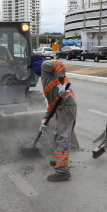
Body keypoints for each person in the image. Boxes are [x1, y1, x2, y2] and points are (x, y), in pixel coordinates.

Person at [29, 54, 77, 182]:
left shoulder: (45, 65)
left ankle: (62, 171)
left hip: (66, 105)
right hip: (60, 105)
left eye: (32, 68)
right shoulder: (46, 77)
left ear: (35, 65)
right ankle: (59, 160)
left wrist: (62, 83)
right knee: (58, 135)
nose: (33, 71)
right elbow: (52, 103)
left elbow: (59, 63)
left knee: (62, 137)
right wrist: (45, 120)